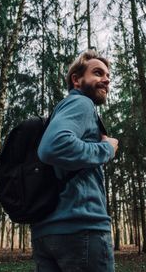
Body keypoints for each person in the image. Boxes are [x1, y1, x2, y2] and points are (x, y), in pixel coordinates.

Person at [32, 50, 119, 272]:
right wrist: (106, 149)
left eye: (108, 75)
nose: (106, 79)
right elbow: (53, 147)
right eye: (98, 73)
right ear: (77, 80)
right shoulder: (82, 103)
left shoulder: (62, 111)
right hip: (81, 228)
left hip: (48, 232)